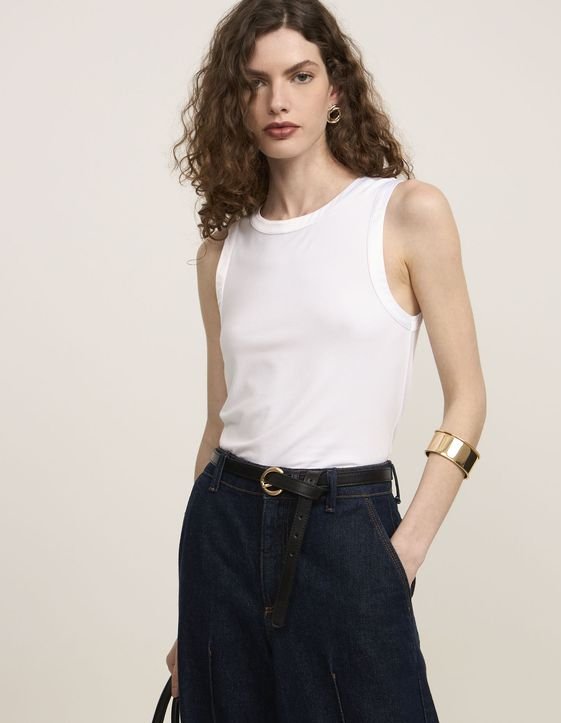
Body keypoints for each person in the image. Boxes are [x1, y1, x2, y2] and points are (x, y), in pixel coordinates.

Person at [166, 1, 486, 721]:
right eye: (255, 82)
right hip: (223, 527)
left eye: (299, 76)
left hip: (346, 526)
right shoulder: (222, 252)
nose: (277, 101)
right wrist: (193, 609)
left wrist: (402, 552)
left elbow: (468, 399)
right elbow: (219, 421)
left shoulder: (406, 213)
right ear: (234, 101)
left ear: (336, 89)